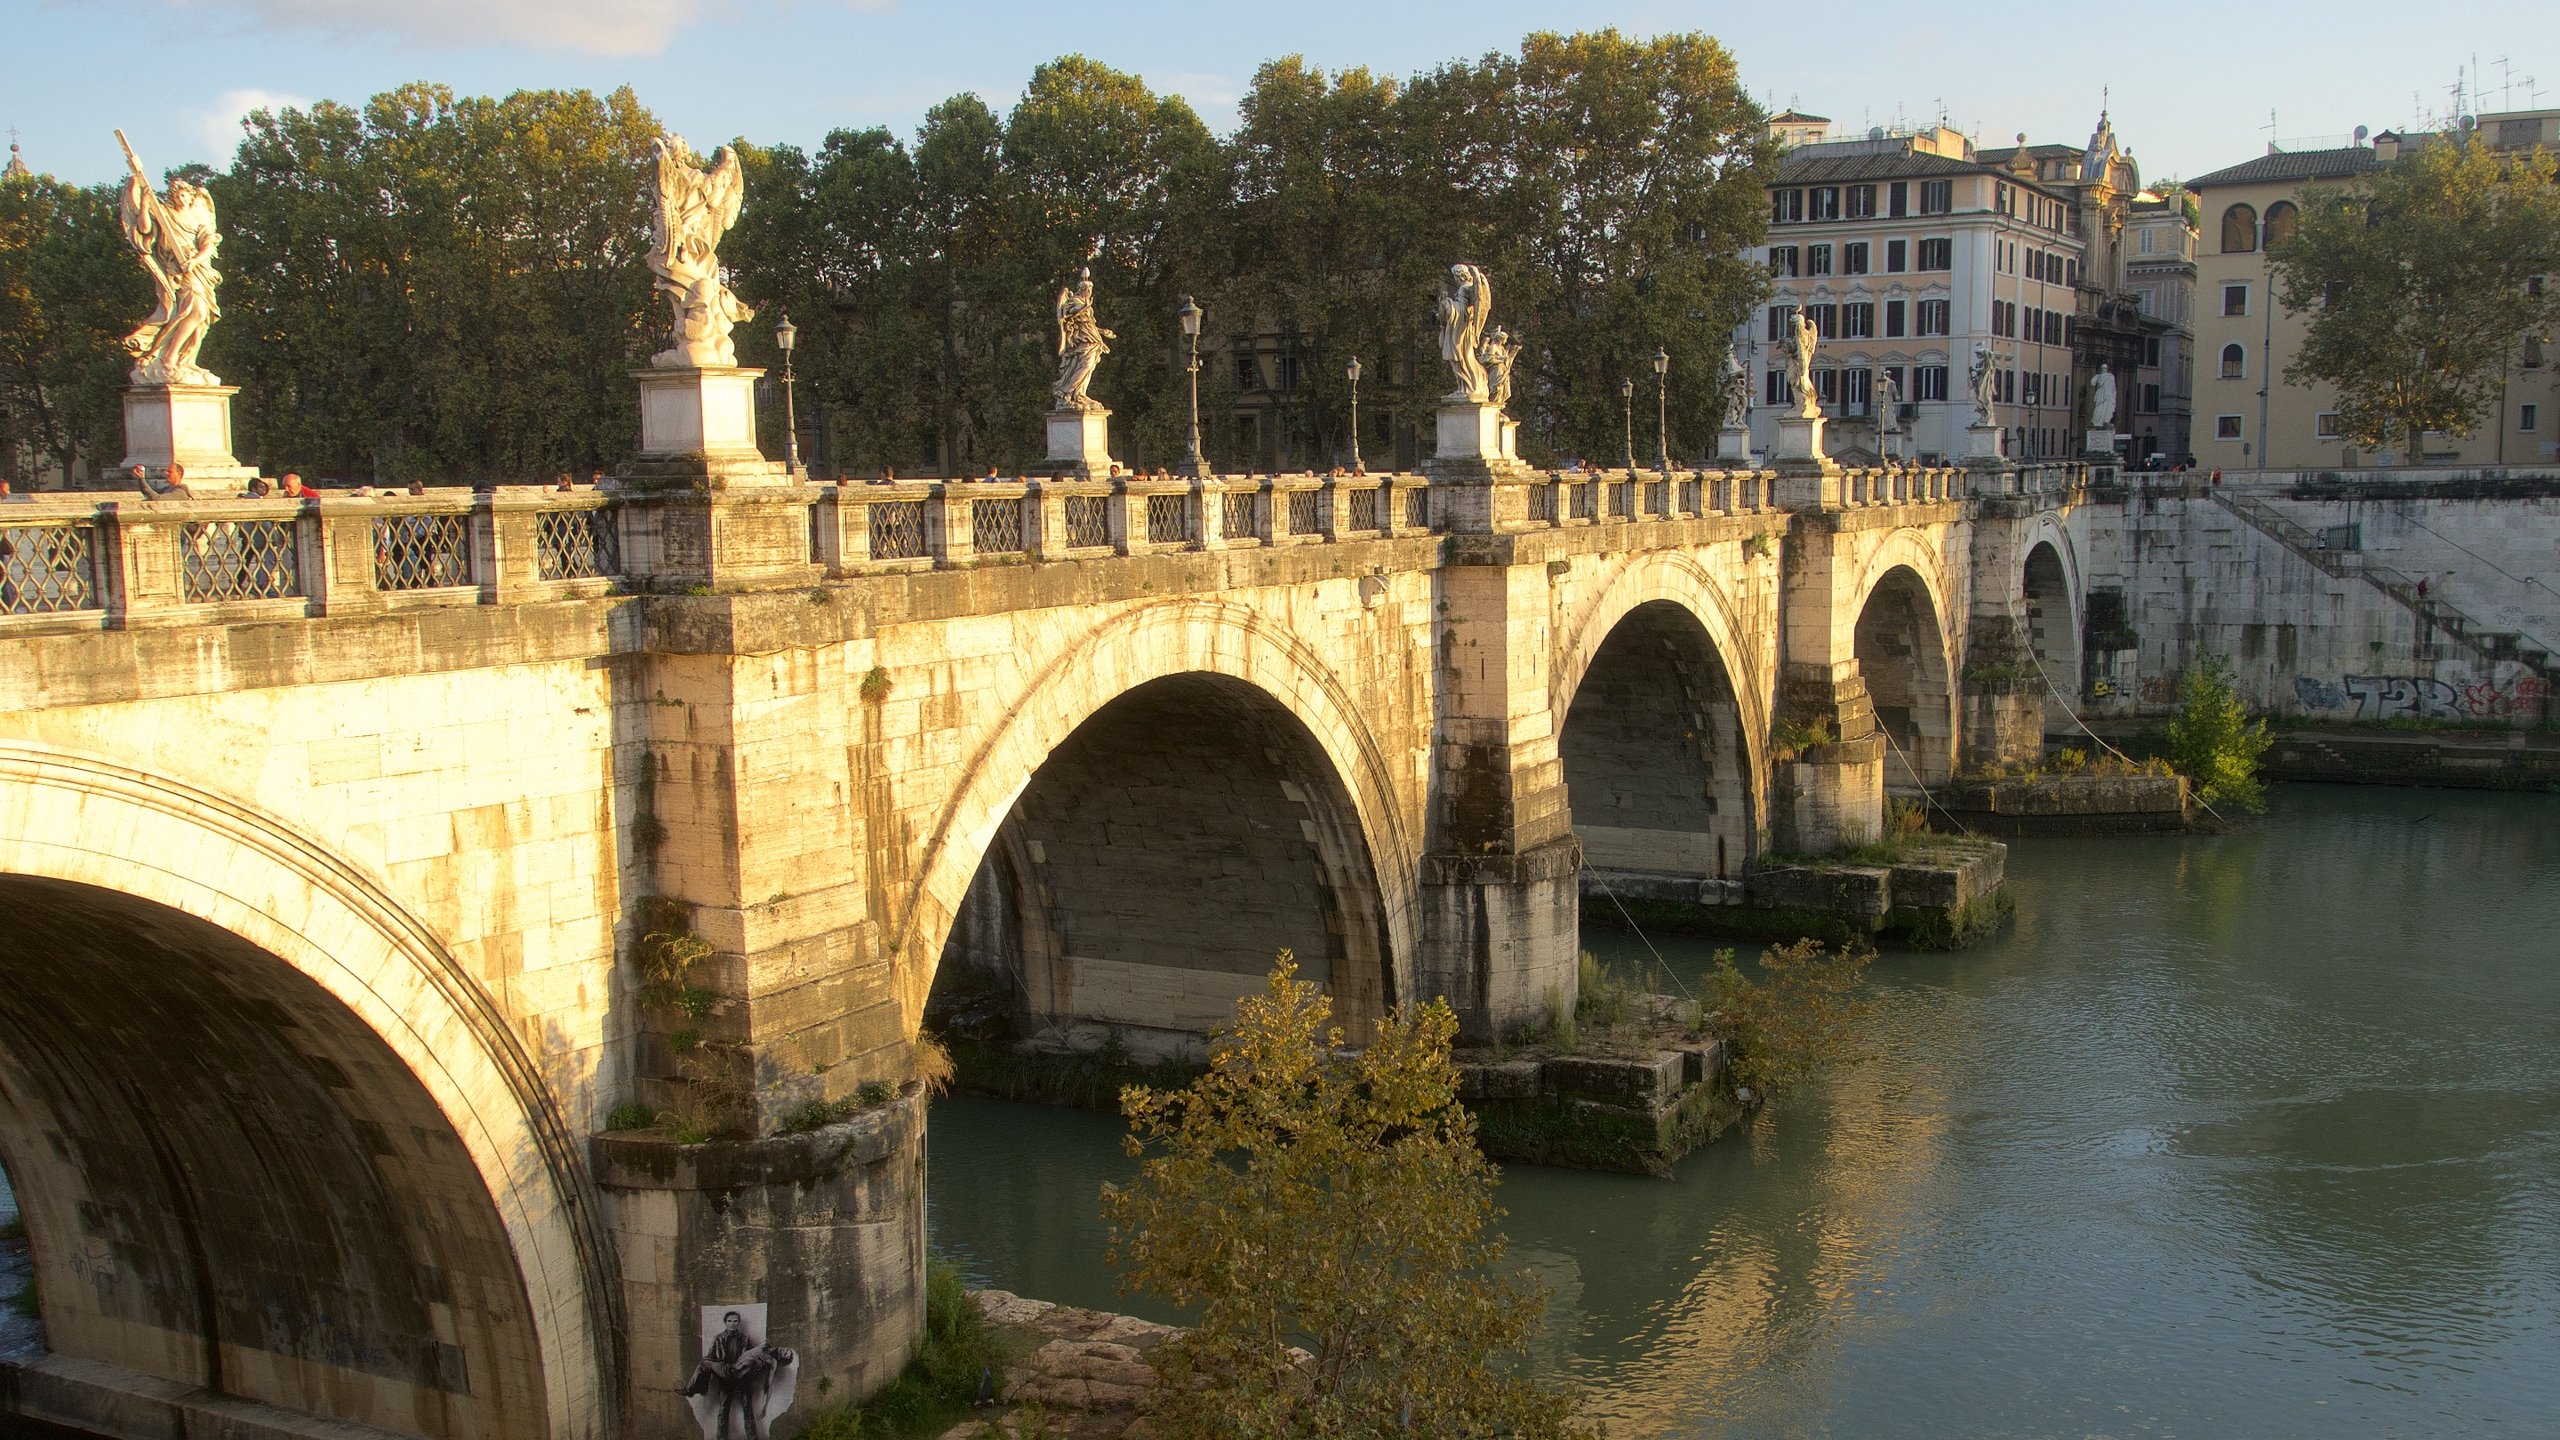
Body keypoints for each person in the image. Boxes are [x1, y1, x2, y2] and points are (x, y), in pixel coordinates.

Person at [680, 1310, 794, 1439]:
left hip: (742, 1379)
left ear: (738, 1323)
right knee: (723, 1410)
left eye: (735, 1321)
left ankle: (753, 1438)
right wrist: (720, 1368)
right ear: (725, 1323)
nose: (732, 1324)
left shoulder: (745, 1339)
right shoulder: (718, 1338)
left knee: (748, 1410)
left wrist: (765, 1406)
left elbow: (752, 1361)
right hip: (726, 1375)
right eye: (729, 1321)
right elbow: (712, 1357)